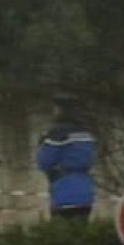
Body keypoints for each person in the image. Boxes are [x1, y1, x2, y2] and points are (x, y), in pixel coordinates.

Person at [36, 92, 96, 220]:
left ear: (60, 110)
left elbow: (44, 162)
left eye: (55, 108)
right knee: (82, 234)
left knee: (63, 235)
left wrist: (43, 144)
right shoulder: (86, 132)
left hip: (65, 192)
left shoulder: (58, 132)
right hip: (86, 192)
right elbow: (90, 159)